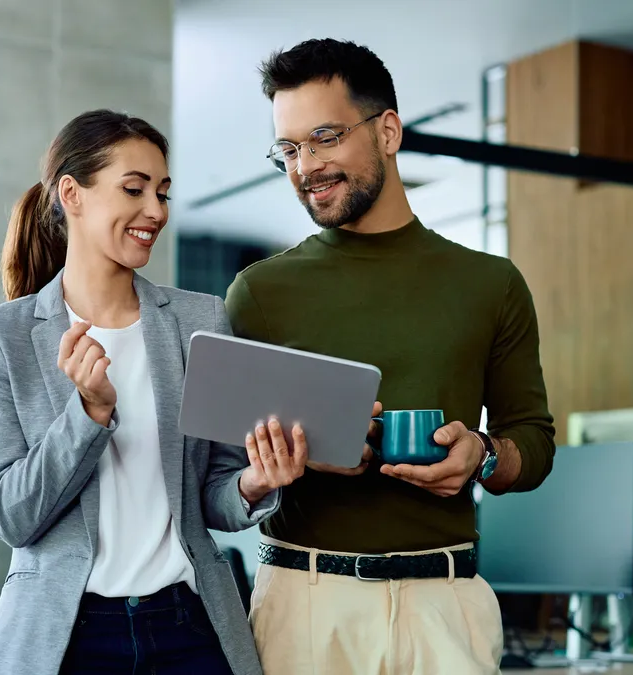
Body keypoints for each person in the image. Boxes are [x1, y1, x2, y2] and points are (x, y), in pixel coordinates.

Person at [224, 39, 556, 675]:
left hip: (446, 608)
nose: (306, 166)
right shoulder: (259, 293)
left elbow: (533, 443)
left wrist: (481, 454)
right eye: (289, 149)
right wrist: (284, 463)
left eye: (324, 137)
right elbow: (222, 471)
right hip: (306, 605)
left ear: (388, 131)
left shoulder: (491, 284)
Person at [0, 109, 306, 675]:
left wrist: (253, 483)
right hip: (65, 638)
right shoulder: (2, 336)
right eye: (134, 189)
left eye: (163, 192)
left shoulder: (201, 320)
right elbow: (10, 517)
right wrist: (88, 414)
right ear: (71, 194)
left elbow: (209, 501)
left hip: (188, 629)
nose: (156, 211)